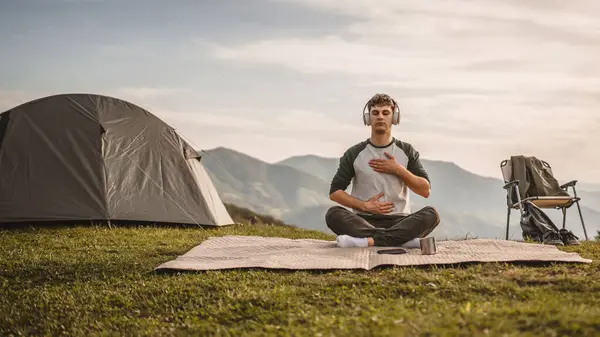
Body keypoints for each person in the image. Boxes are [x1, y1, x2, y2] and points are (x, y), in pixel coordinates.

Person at [326, 93, 440, 248]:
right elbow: (335, 192)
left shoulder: (406, 150)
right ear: (368, 118)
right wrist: (364, 206)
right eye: (375, 113)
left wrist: (399, 170)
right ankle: (402, 240)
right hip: (364, 221)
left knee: (432, 214)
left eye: (385, 113)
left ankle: (370, 241)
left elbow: (425, 190)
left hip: (400, 221)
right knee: (333, 214)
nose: (380, 117)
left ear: (394, 118)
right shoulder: (354, 153)